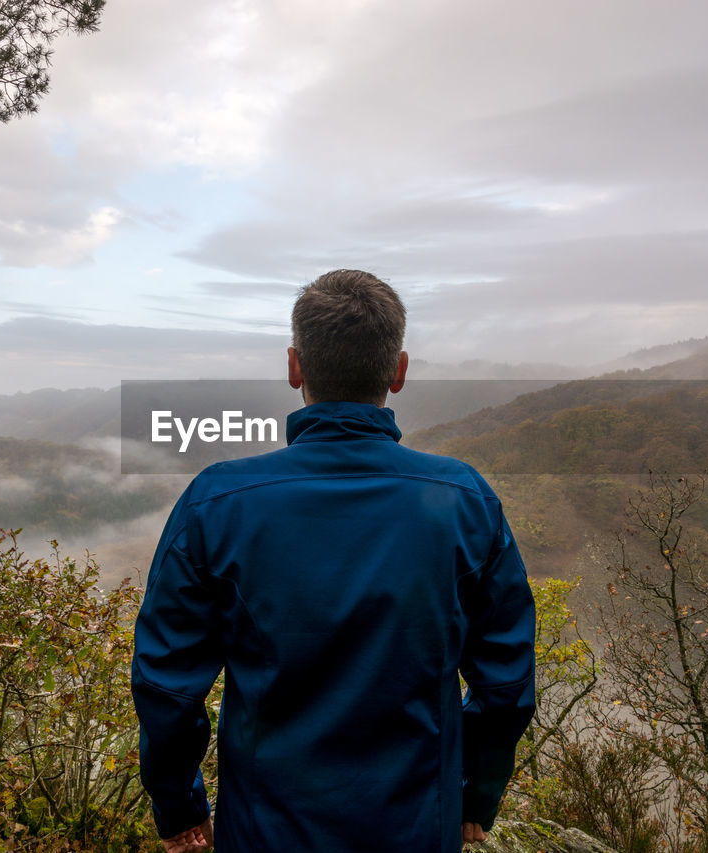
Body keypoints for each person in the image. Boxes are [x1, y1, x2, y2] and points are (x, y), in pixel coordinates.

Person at [131, 269, 536, 853]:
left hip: (264, 833)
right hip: (419, 828)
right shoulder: (465, 501)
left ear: (295, 367)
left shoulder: (217, 502)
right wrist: (476, 794)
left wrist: (179, 805)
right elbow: (506, 683)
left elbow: (167, 685)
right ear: (398, 372)